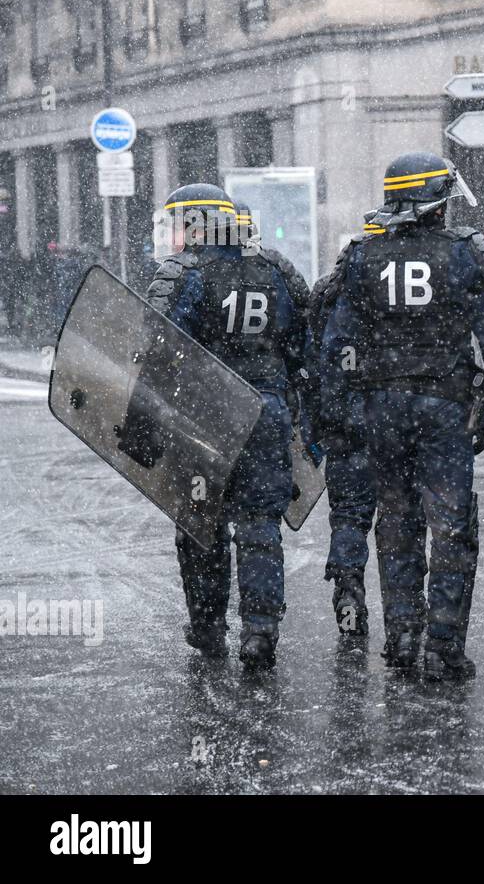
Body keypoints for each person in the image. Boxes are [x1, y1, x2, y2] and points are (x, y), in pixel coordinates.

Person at [320, 152, 484, 679]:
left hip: (380, 410)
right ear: (435, 203)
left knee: (396, 521)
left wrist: (338, 410)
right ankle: (445, 649)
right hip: (444, 410)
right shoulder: (461, 254)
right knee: (452, 527)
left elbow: (336, 343)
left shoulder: (362, 256)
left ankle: (403, 639)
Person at [141, 184, 315, 667]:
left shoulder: (185, 272)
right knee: (260, 525)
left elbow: (159, 351)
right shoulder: (276, 270)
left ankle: (208, 627)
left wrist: (145, 422)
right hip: (266, 414)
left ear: (196, 222)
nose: (175, 236)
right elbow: (305, 347)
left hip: (204, 417)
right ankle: (260, 632)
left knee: (200, 525)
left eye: (177, 225)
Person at [309, 212, 380, 636]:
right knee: (402, 519)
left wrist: (319, 420)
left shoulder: (328, 293)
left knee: (350, 515)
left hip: (344, 423)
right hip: (394, 421)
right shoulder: (398, 294)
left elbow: (312, 362)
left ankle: (349, 590)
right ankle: (409, 615)